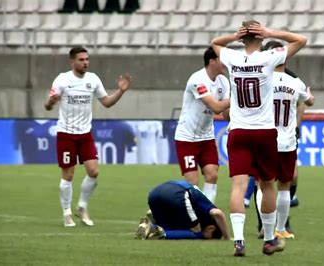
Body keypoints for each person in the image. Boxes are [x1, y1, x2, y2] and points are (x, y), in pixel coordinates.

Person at [211, 21, 307, 256]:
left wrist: (234, 36)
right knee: (267, 184)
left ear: (243, 39)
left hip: (239, 130)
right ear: (261, 38)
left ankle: (239, 241)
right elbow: (301, 40)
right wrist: (272, 32)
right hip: (264, 131)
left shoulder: (232, 58)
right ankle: (269, 239)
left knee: (238, 185)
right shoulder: (269, 58)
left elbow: (214, 43)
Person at [44, 46, 132, 227]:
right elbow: (48, 105)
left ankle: (82, 207)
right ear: (72, 62)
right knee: (68, 175)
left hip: (85, 134)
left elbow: (107, 102)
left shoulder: (93, 79)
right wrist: (51, 102)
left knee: (94, 171)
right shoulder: (62, 79)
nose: (85, 62)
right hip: (66, 134)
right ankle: (67, 213)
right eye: (81, 60)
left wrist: (121, 91)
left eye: (87, 59)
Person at [255, 41, 315, 241]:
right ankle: (281, 228)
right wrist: (309, 95)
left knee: (262, 184)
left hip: (264, 138)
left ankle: (265, 227)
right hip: (287, 140)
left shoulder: (261, 79)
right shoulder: (294, 82)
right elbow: (309, 101)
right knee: (284, 185)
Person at [174, 47, 231, 203]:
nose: (226, 63)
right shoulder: (197, 80)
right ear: (212, 61)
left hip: (206, 137)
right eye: (222, 59)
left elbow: (225, 114)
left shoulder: (224, 81)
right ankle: (188, 214)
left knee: (212, 174)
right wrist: (238, 99)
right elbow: (216, 107)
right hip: (187, 138)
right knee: (192, 182)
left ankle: (206, 214)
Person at [135, 180, 230, 240]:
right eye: (209, 237)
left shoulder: (198, 211)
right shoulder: (207, 205)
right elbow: (218, 213)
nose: (206, 238)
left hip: (154, 193)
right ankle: (158, 233)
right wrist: (227, 238)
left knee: (167, 227)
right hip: (179, 194)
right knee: (196, 232)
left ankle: (148, 227)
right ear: (211, 228)